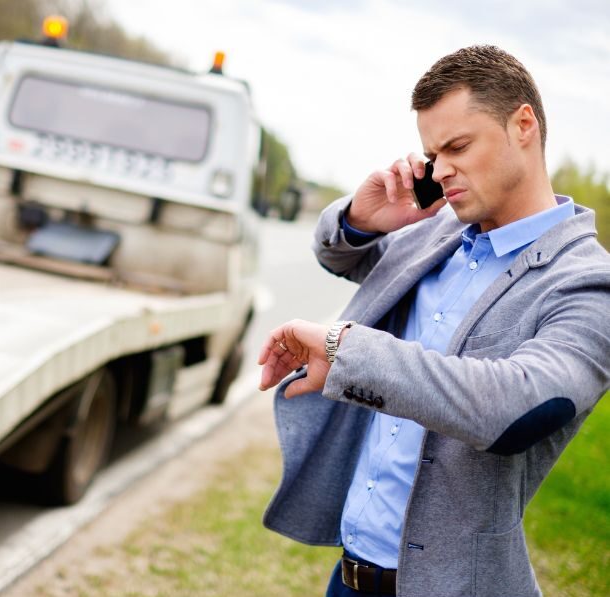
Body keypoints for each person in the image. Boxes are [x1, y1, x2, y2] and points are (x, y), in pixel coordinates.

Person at [257, 45, 610, 597]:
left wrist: (344, 349)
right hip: (347, 577)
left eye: (458, 147)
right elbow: (338, 256)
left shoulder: (588, 282)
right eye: (431, 153)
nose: (440, 170)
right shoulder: (434, 232)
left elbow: (512, 409)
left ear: (523, 126)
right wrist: (361, 218)